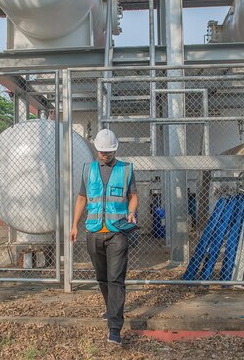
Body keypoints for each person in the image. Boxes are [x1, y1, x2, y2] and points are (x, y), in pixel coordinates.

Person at [70, 128, 138, 345]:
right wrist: (74, 225)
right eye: (101, 152)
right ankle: (111, 309)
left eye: (108, 152)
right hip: (94, 232)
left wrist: (131, 212)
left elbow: (133, 196)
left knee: (116, 279)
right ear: (96, 149)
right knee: (102, 277)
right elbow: (82, 198)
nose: (104, 155)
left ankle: (115, 328)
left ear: (115, 150)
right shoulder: (88, 170)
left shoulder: (126, 169)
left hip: (117, 232)